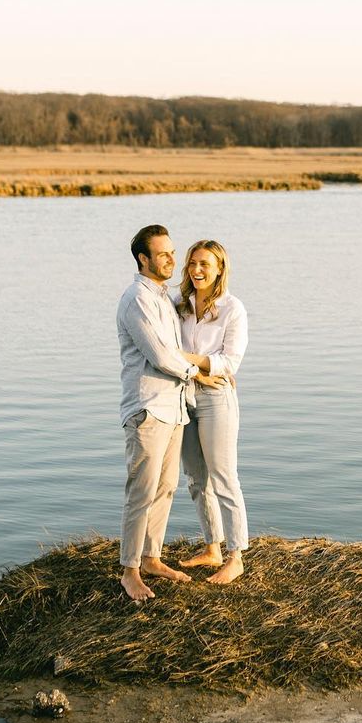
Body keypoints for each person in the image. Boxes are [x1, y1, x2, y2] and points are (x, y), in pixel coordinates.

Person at [116, 224, 226, 602]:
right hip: (148, 408)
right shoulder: (137, 299)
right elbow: (162, 356)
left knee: (166, 488)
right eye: (162, 254)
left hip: (174, 408)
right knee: (141, 491)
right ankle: (129, 571)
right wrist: (200, 373)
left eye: (171, 252)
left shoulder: (163, 297)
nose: (171, 259)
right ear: (143, 259)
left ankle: (151, 557)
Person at [173, 239, 250, 584]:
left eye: (205, 264)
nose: (197, 270)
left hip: (217, 400)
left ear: (220, 268)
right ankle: (212, 547)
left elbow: (230, 362)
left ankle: (235, 557)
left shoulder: (233, 309)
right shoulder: (180, 305)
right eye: (192, 263)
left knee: (223, 477)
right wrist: (201, 370)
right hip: (183, 396)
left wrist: (188, 360)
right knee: (195, 478)